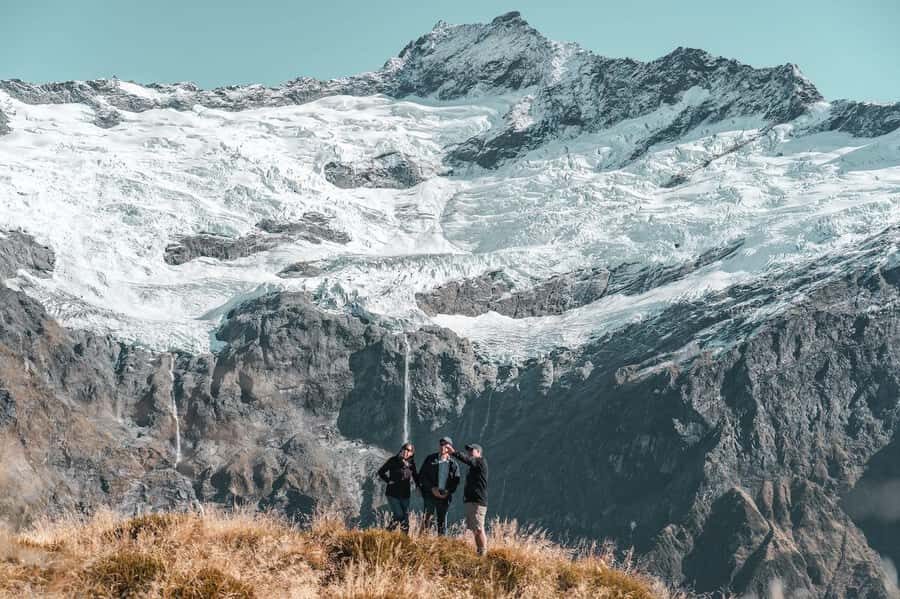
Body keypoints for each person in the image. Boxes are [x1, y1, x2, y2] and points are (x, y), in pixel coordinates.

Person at [447, 442, 489, 555]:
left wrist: (454, 452)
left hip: (477, 502)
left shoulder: (480, 461)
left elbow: (468, 460)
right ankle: (479, 551)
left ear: (479, 452)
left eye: (472, 450)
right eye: (469, 450)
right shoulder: (473, 466)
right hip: (471, 501)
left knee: (479, 528)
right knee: (475, 529)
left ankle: (483, 553)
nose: (469, 452)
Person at [417, 436, 460, 535]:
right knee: (427, 520)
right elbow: (422, 476)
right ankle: (422, 543)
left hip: (444, 497)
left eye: (446, 445)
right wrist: (432, 489)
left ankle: (441, 545)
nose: (443, 446)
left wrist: (448, 491)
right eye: (441, 444)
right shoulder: (430, 459)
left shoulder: (453, 464)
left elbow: (456, 481)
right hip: (429, 495)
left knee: (442, 522)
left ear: (450, 447)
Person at [376, 443, 418, 533]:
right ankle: (388, 532)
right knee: (399, 515)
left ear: (412, 453)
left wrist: (419, 487)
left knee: (405, 519)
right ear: (401, 449)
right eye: (404, 449)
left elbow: (415, 476)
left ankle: (403, 540)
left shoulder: (411, 464)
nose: (406, 451)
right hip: (393, 493)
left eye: (408, 450)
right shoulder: (393, 460)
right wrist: (388, 481)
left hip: (405, 495)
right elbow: (381, 472)